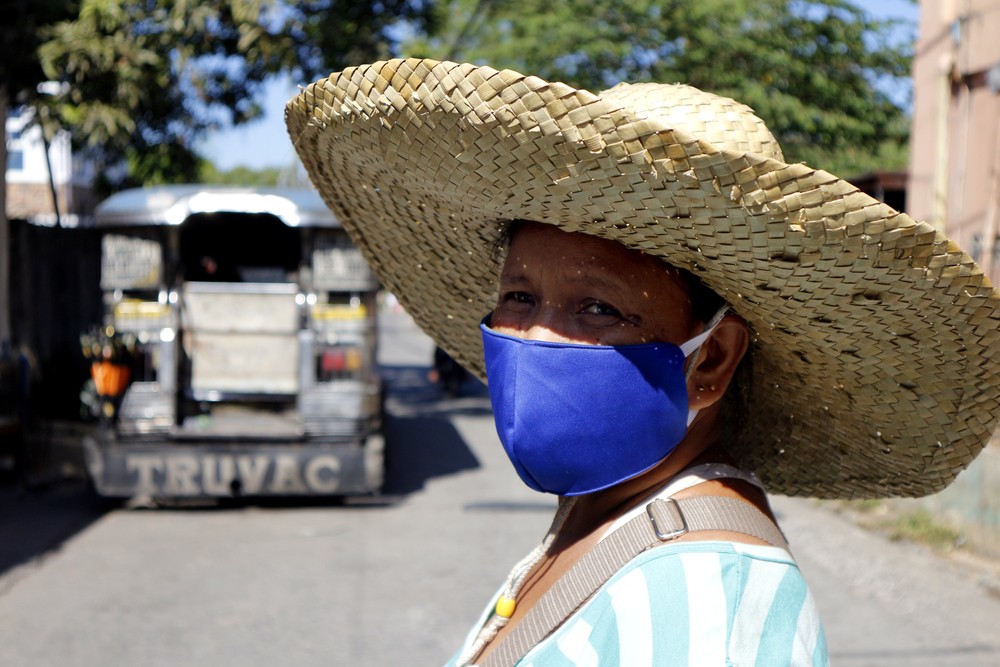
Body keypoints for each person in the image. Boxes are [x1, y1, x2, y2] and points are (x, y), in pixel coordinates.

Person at [286, 58, 1000, 666]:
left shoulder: (705, 601)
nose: (533, 337)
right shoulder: (611, 515)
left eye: (597, 309)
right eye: (519, 295)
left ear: (711, 358)